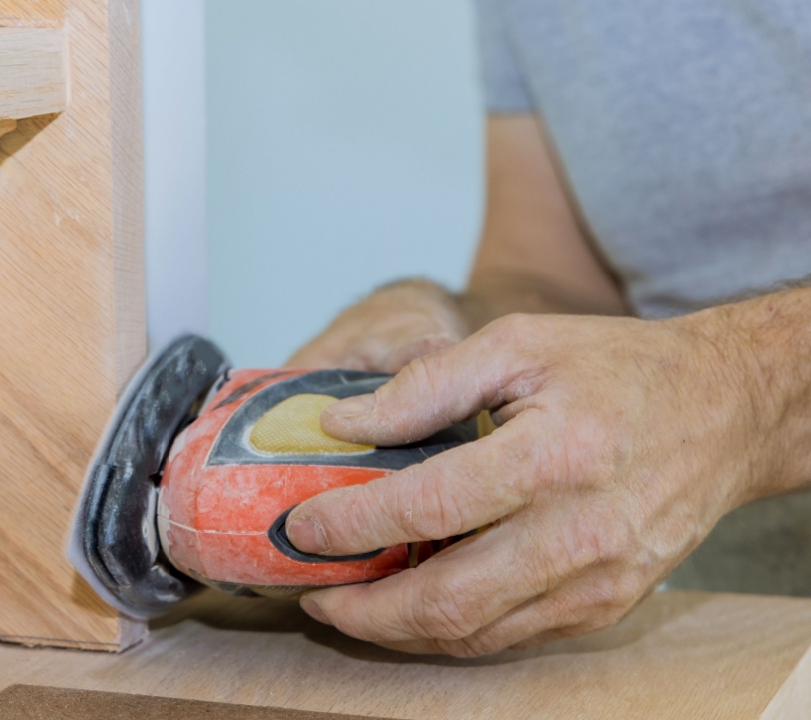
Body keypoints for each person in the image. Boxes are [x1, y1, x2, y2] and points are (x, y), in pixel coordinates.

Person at [282, 1, 811, 657]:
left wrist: (739, 393)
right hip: (730, 606)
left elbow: (718, 394)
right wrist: (448, 325)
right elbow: (552, 274)